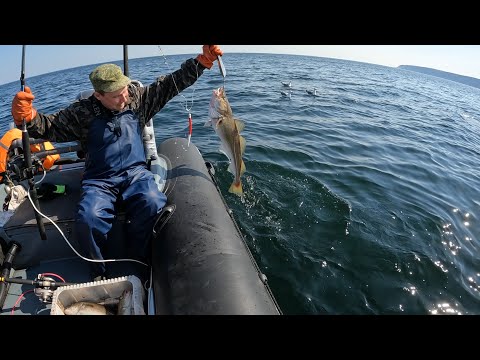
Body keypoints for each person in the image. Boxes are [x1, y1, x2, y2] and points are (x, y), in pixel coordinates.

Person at [11, 45, 224, 280]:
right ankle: (98, 270)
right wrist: (28, 117)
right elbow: (49, 126)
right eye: (116, 96)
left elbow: (172, 84)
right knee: (88, 219)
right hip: (99, 179)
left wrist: (202, 62)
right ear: (99, 96)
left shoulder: (136, 98)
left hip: (135, 173)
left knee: (152, 201)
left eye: (124, 91)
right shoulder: (81, 113)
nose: (125, 97)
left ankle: (138, 255)